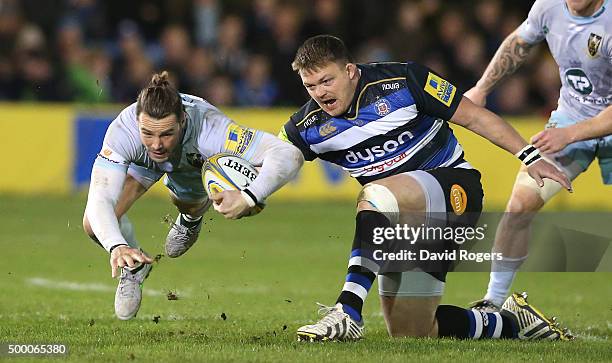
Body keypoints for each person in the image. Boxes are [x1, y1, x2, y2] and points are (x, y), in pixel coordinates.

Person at [278, 35, 573, 342]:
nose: (320, 93)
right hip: (402, 225)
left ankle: (347, 310)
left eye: (327, 80)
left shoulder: (403, 80)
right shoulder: (308, 125)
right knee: (411, 331)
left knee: (375, 194)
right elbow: (273, 158)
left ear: (350, 71)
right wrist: (243, 193)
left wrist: (530, 156)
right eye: (310, 86)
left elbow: (473, 116)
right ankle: (512, 324)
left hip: (454, 192)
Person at [82, 71, 303, 320]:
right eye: (148, 133)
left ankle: (190, 219)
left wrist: (249, 196)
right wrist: (117, 246)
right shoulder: (124, 131)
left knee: (187, 205)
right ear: (137, 121)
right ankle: (134, 267)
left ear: (183, 121)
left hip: (192, 162)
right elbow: (100, 199)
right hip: (142, 163)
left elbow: (289, 156)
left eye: (166, 133)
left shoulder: (212, 130)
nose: (156, 144)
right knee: (93, 224)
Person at [464, 0, 612, 312]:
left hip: (576, 129)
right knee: (518, 207)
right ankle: (493, 301)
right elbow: (519, 42)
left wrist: (569, 134)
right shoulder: (549, 6)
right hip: (570, 119)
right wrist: (482, 88)